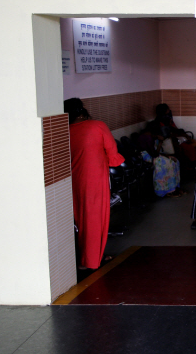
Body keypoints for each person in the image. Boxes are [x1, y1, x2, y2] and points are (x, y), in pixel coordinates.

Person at [64, 98, 124, 270]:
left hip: (71, 181)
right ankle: (91, 261)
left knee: (79, 220)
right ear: (83, 111)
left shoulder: (64, 130)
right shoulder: (97, 126)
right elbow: (113, 155)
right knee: (94, 220)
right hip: (95, 180)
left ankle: (85, 257)